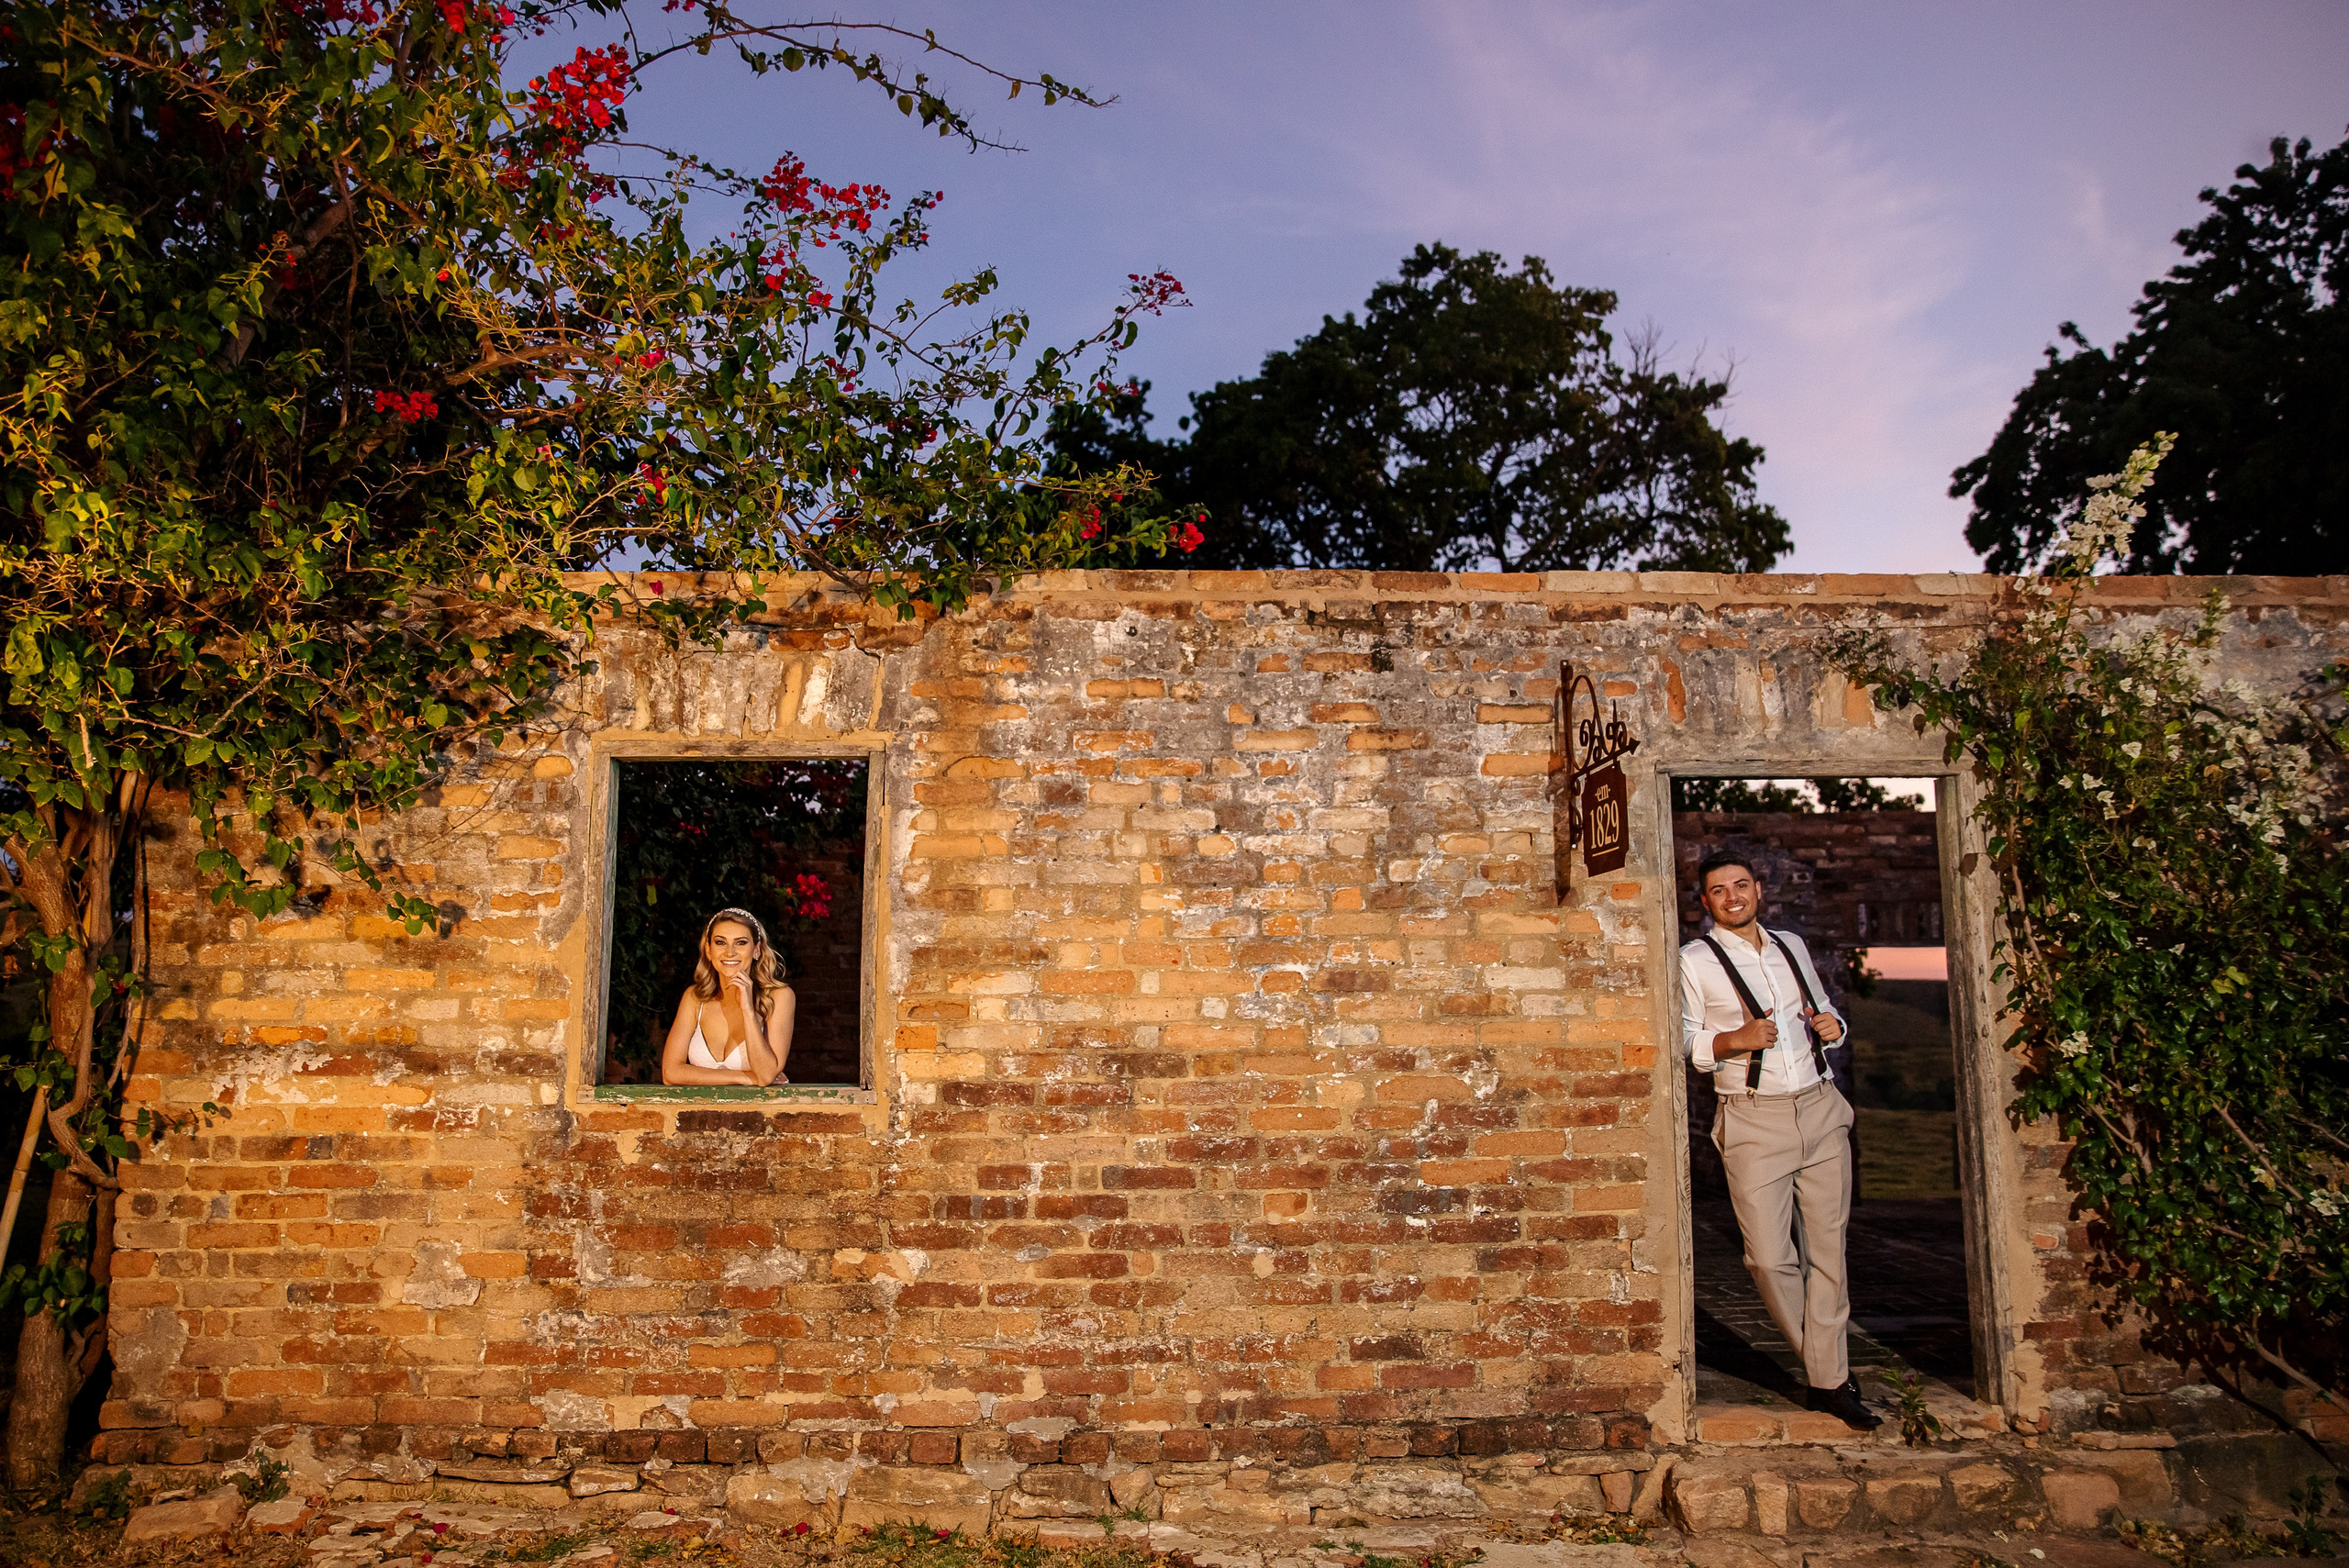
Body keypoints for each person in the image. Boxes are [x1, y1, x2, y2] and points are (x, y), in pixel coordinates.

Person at [1681, 850, 1881, 1430]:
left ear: (1759, 890)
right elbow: (1687, 1043)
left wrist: (1834, 1026)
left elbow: (1824, 1009)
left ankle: (1831, 1381)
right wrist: (1735, 1039)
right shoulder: (1693, 961)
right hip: (1751, 1118)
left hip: (1819, 1109)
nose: (1733, 897)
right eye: (1719, 891)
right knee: (1769, 1260)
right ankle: (1826, 1368)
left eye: (1741, 885)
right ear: (1706, 902)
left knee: (1829, 1255)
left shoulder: (1792, 945)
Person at [661, 907, 796, 1085]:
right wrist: (743, 1077)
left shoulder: (779, 998)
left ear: (756, 950)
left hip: (759, 1112)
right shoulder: (695, 998)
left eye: (740, 943)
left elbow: (765, 1075)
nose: (730, 952)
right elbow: (670, 1073)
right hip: (699, 1111)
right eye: (720, 942)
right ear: (708, 950)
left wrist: (747, 1009)